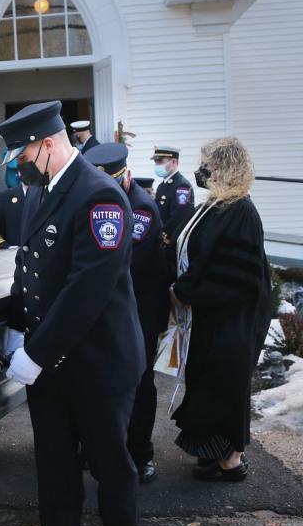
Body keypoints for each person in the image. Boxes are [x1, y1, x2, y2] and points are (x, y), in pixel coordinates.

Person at [0, 101, 145, 526]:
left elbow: (87, 289)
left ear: (48, 144)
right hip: (54, 364)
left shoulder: (100, 197)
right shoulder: (40, 193)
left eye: (21, 153)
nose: (17, 164)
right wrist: (13, 328)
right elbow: (29, 271)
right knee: (54, 468)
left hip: (99, 363)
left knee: (108, 462)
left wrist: (34, 354)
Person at [169, 137, 271, 481]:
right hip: (210, 317)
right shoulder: (216, 205)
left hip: (232, 319)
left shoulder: (241, 210)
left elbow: (238, 278)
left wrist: (188, 292)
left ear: (224, 168)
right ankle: (214, 453)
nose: (201, 170)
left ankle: (232, 462)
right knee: (206, 381)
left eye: (207, 164)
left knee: (225, 385)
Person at [85, 143, 168, 483]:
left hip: (140, 312)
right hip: (108, 308)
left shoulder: (141, 210)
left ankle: (141, 453)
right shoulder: (100, 200)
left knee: (139, 382)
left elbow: (120, 264)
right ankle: (103, 448)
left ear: (127, 176)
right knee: (101, 381)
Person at [152, 144, 195, 244]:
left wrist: (164, 239)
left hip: (171, 243)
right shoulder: (162, 185)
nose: (157, 165)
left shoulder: (182, 186)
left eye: (160, 161)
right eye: (156, 161)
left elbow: (180, 219)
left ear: (174, 162)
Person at [0, 183, 28, 250]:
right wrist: (8, 248)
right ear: (19, 173)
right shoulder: (5, 196)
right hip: (13, 257)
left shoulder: (45, 193)